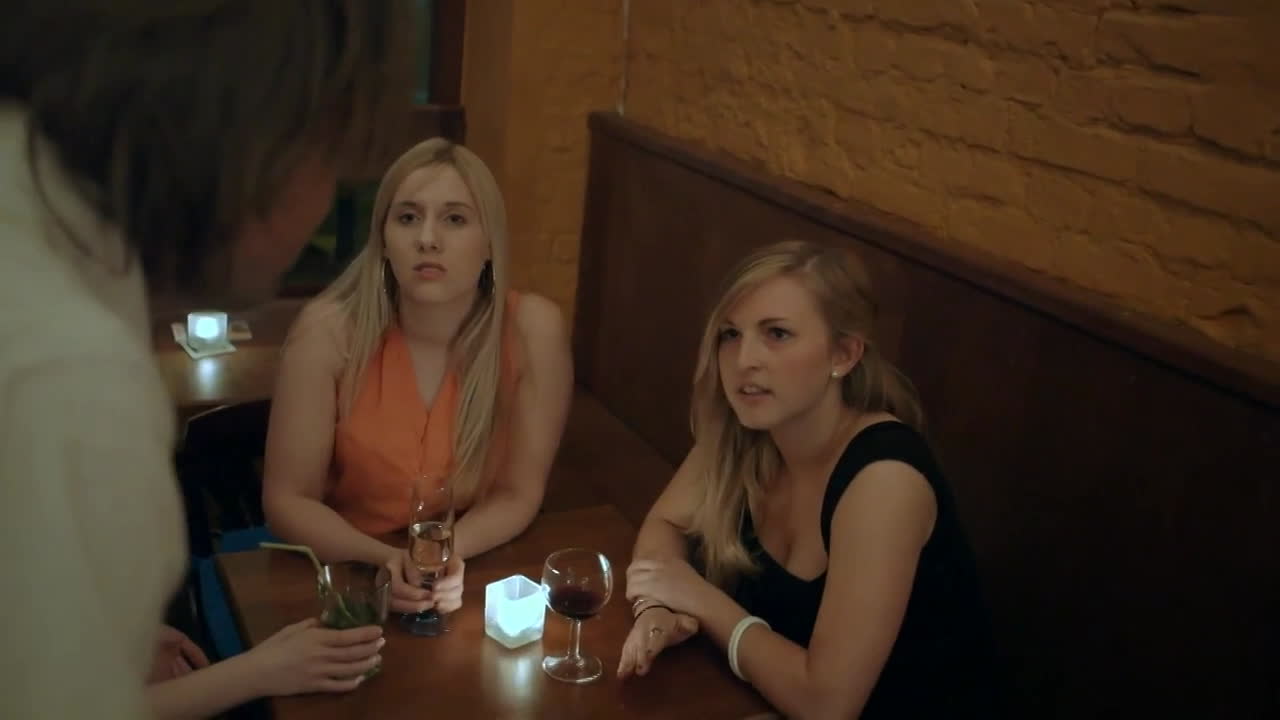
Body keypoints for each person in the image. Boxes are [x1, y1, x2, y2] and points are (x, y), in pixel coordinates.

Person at [0, 2, 412, 717]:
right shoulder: (69, 386)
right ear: (253, 141)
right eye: (330, 157)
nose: (324, 203)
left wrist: (97, 633)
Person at [618, 240, 997, 718]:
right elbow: (666, 527)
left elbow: (827, 705)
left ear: (844, 353)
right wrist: (655, 610)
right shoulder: (746, 431)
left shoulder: (884, 479)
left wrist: (701, 600)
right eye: (731, 334)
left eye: (776, 334)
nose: (744, 359)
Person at [262, 138, 574, 618]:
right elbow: (288, 499)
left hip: (471, 571)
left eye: (455, 219)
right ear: (384, 240)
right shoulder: (327, 330)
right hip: (345, 569)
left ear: (490, 244)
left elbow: (519, 492)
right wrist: (387, 561)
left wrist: (440, 558)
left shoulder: (535, 329)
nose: (427, 239)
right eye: (407, 218)